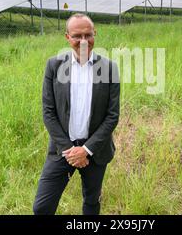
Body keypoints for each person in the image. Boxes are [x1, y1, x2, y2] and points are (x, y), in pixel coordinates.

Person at [33, 13, 120, 215]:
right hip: (63, 150)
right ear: (67, 37)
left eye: (88, 35)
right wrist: (71, 151)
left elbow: (112, 116)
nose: (83, 41)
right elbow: (48, 112)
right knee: (42, 208)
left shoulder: (109, 68)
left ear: (95, 34)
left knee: (91, 203)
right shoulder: (54, 66)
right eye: (77, 36)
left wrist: (86, 150)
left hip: (96, 151)